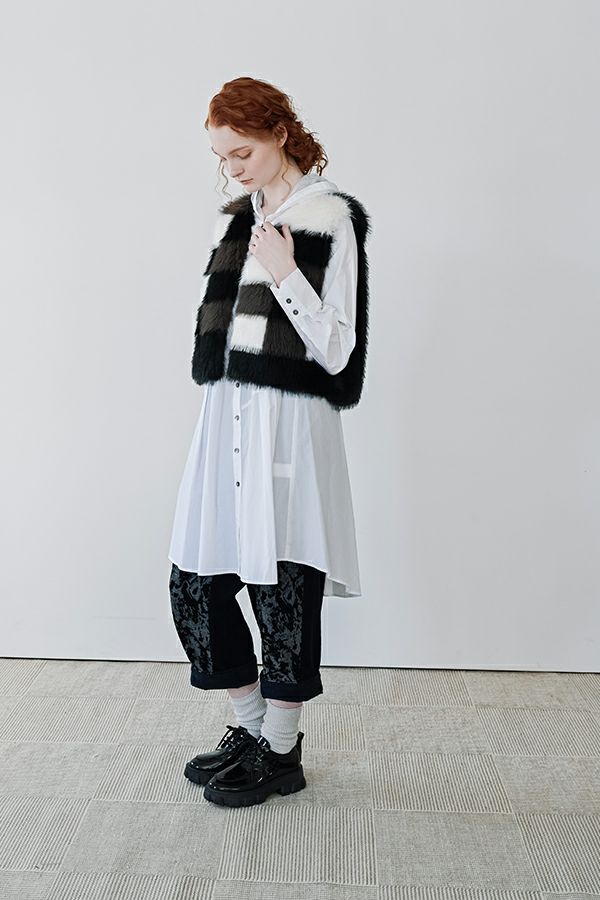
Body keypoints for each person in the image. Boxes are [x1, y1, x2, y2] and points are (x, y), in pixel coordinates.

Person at [167, 76, 371, 807]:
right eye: (222, 157)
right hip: (226, 419)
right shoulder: (239, 218)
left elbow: (338, 349)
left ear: (279, 133)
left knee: (282, 585)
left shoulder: (330, 215)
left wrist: (286, 275)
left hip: (287, 424)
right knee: (195, 583)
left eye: (242, 152)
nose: (233, 169)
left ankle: (281, 751)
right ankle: (251, 728)